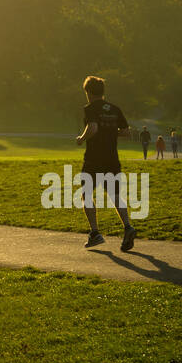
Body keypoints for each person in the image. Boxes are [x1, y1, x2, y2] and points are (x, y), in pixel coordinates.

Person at [74, 76, 137, 252]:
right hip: (112, 159)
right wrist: (109, 132)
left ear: (88, 92)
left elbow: (93, 128)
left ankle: (95, 233)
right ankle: (128, 227)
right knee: (115, 194)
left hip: (94, 159)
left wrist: (81, 139)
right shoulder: (115, 109)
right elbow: (125, 132)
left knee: (86, 194)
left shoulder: (90, 108)